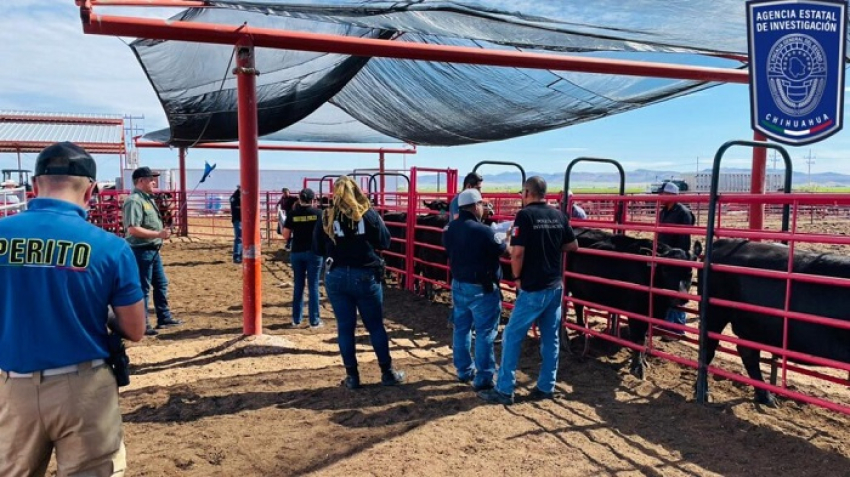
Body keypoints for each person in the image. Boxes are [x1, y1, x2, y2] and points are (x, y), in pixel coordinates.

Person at [0, 141, 146, 476]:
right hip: (84, 388)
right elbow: (135, 329)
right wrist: (97, 311)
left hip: (11, 385)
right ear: (91, 190)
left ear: (35, 186)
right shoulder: (111, 247)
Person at [479, 176, 578, 405]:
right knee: (550, 338)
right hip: (555, 287)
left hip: (533, 287)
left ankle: (504, 390)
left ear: (527, 192)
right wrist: (550, 245)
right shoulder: (558, 215)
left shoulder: (525, 216)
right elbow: (573, 245)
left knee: (512, 335)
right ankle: (546, 386)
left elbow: (517, 253)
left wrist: (516, 278)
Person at [313, 176, 405, 389]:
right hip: (365, 274)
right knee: (375, 326)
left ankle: (352, 377)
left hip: (335, 274)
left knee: (345, 328)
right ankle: (387, 372)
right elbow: (385, 241)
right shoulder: (368, 214)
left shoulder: (327, 216)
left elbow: (317, 248)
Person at [442, 188, 506, 391]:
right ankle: (484, 376)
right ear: (476, 206)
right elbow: (502, 250)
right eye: (482, 205)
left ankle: (463, 370)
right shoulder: (485, 231)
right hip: (482, 288)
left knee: (461, 329)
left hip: (459, 284)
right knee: (485, 332)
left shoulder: (450, 229)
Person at [123, 166, 183, 336]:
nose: (154, 182)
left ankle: (163, 317)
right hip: (141, 250)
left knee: (161, 284)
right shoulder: (134, 201)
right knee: (143, 288)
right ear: (141, 181)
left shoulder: (147, 199)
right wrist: (158, 233)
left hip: (152, 249)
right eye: (150, 179)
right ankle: (143, 323)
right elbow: (133, 229)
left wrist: (160, 233)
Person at [657, 181, 696, 340]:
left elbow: (684, 240)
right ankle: (666, 324)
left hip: (677, 259)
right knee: (665, 290)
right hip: (666, 256)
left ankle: (676, 329)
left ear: (672, 195)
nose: (660, 196)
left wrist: (678, 259)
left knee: (678, 292)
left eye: (663, 194)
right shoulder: (663, 212)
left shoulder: (683, 213)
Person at [283, 188, 323, 328]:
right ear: (313, 200)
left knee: (298, 285)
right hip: (314, 252)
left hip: (297, 252)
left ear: (300, 199)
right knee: (313, 286)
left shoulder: (293, 214)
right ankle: (314, 320)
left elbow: (286, 234)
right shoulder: (318, 213)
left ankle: (296, 319)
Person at [230, 184, 242, 264]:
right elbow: (236, 207)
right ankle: (237, 256)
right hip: (238, 219)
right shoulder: (235, 197)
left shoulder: (235, 197)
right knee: (239, 238)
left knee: (240, 238)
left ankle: (239, 255)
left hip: (240, 219)